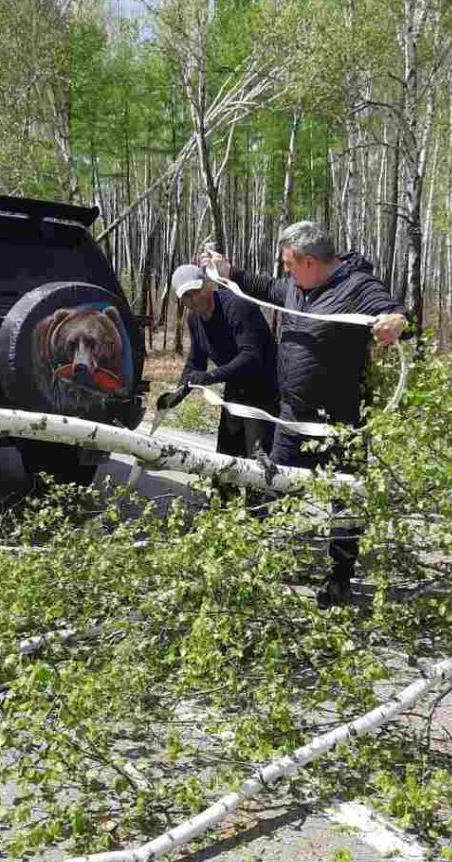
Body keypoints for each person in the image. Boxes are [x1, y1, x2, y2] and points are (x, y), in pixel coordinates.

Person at [201, 221, 408, 605]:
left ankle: (340, 580)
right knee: (270, 486)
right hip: (292, 419)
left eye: (288, 263)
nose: (284, 270)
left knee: (345, 502)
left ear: (309, 262)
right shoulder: (296, 288)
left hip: (339, 423)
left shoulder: (358, 287)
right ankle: (260, 564)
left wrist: (394, 322)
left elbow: (396, 314)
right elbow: (263, 287)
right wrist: (227, 272)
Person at [171, 263, 278, 459]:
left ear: (208, 285)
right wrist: (176, 394)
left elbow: (251, 357)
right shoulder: (195, 320)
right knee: (227, 461)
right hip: (235, 391)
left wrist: (210, 376)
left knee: (261, 463)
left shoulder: (237, 306)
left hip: (266, 391)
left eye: (196, 291)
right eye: (186, 296)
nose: (193, 300)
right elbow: (195, 362)